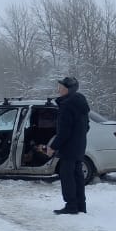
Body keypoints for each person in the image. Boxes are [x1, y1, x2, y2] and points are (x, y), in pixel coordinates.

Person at [47, 76, 89, 215]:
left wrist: (53, 146)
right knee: (77, 176)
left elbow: (64, 131)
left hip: (69, 148)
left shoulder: (66, 105)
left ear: (68, 89)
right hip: (79, 146)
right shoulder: (80, 102)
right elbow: (86, 126)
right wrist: (78, 137)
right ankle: (80, 205)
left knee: (67, 177)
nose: (58, 90)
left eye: (61, 87)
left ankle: (71, 206)